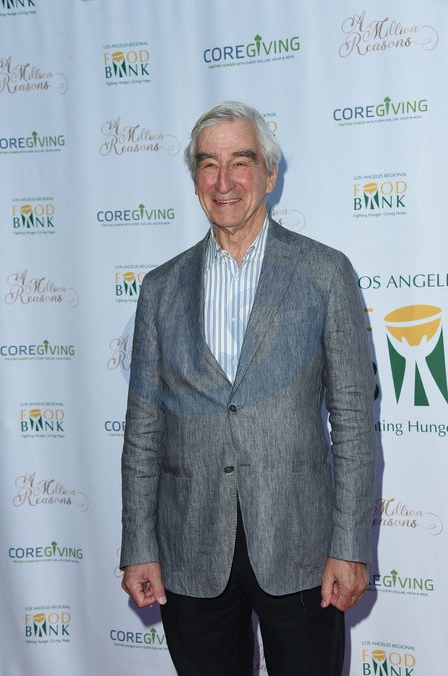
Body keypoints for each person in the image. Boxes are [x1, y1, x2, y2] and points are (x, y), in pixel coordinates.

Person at [120, 100, 377, 675]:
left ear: (270, 172)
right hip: (190, 550)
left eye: (241, 161)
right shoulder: (160, 290)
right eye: (209, 165)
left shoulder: (325, 273)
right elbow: (143, 432)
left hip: (302, 548)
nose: (224, 181)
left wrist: (349, 545)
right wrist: (138, 545)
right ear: (195, 180)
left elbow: (354, 421)